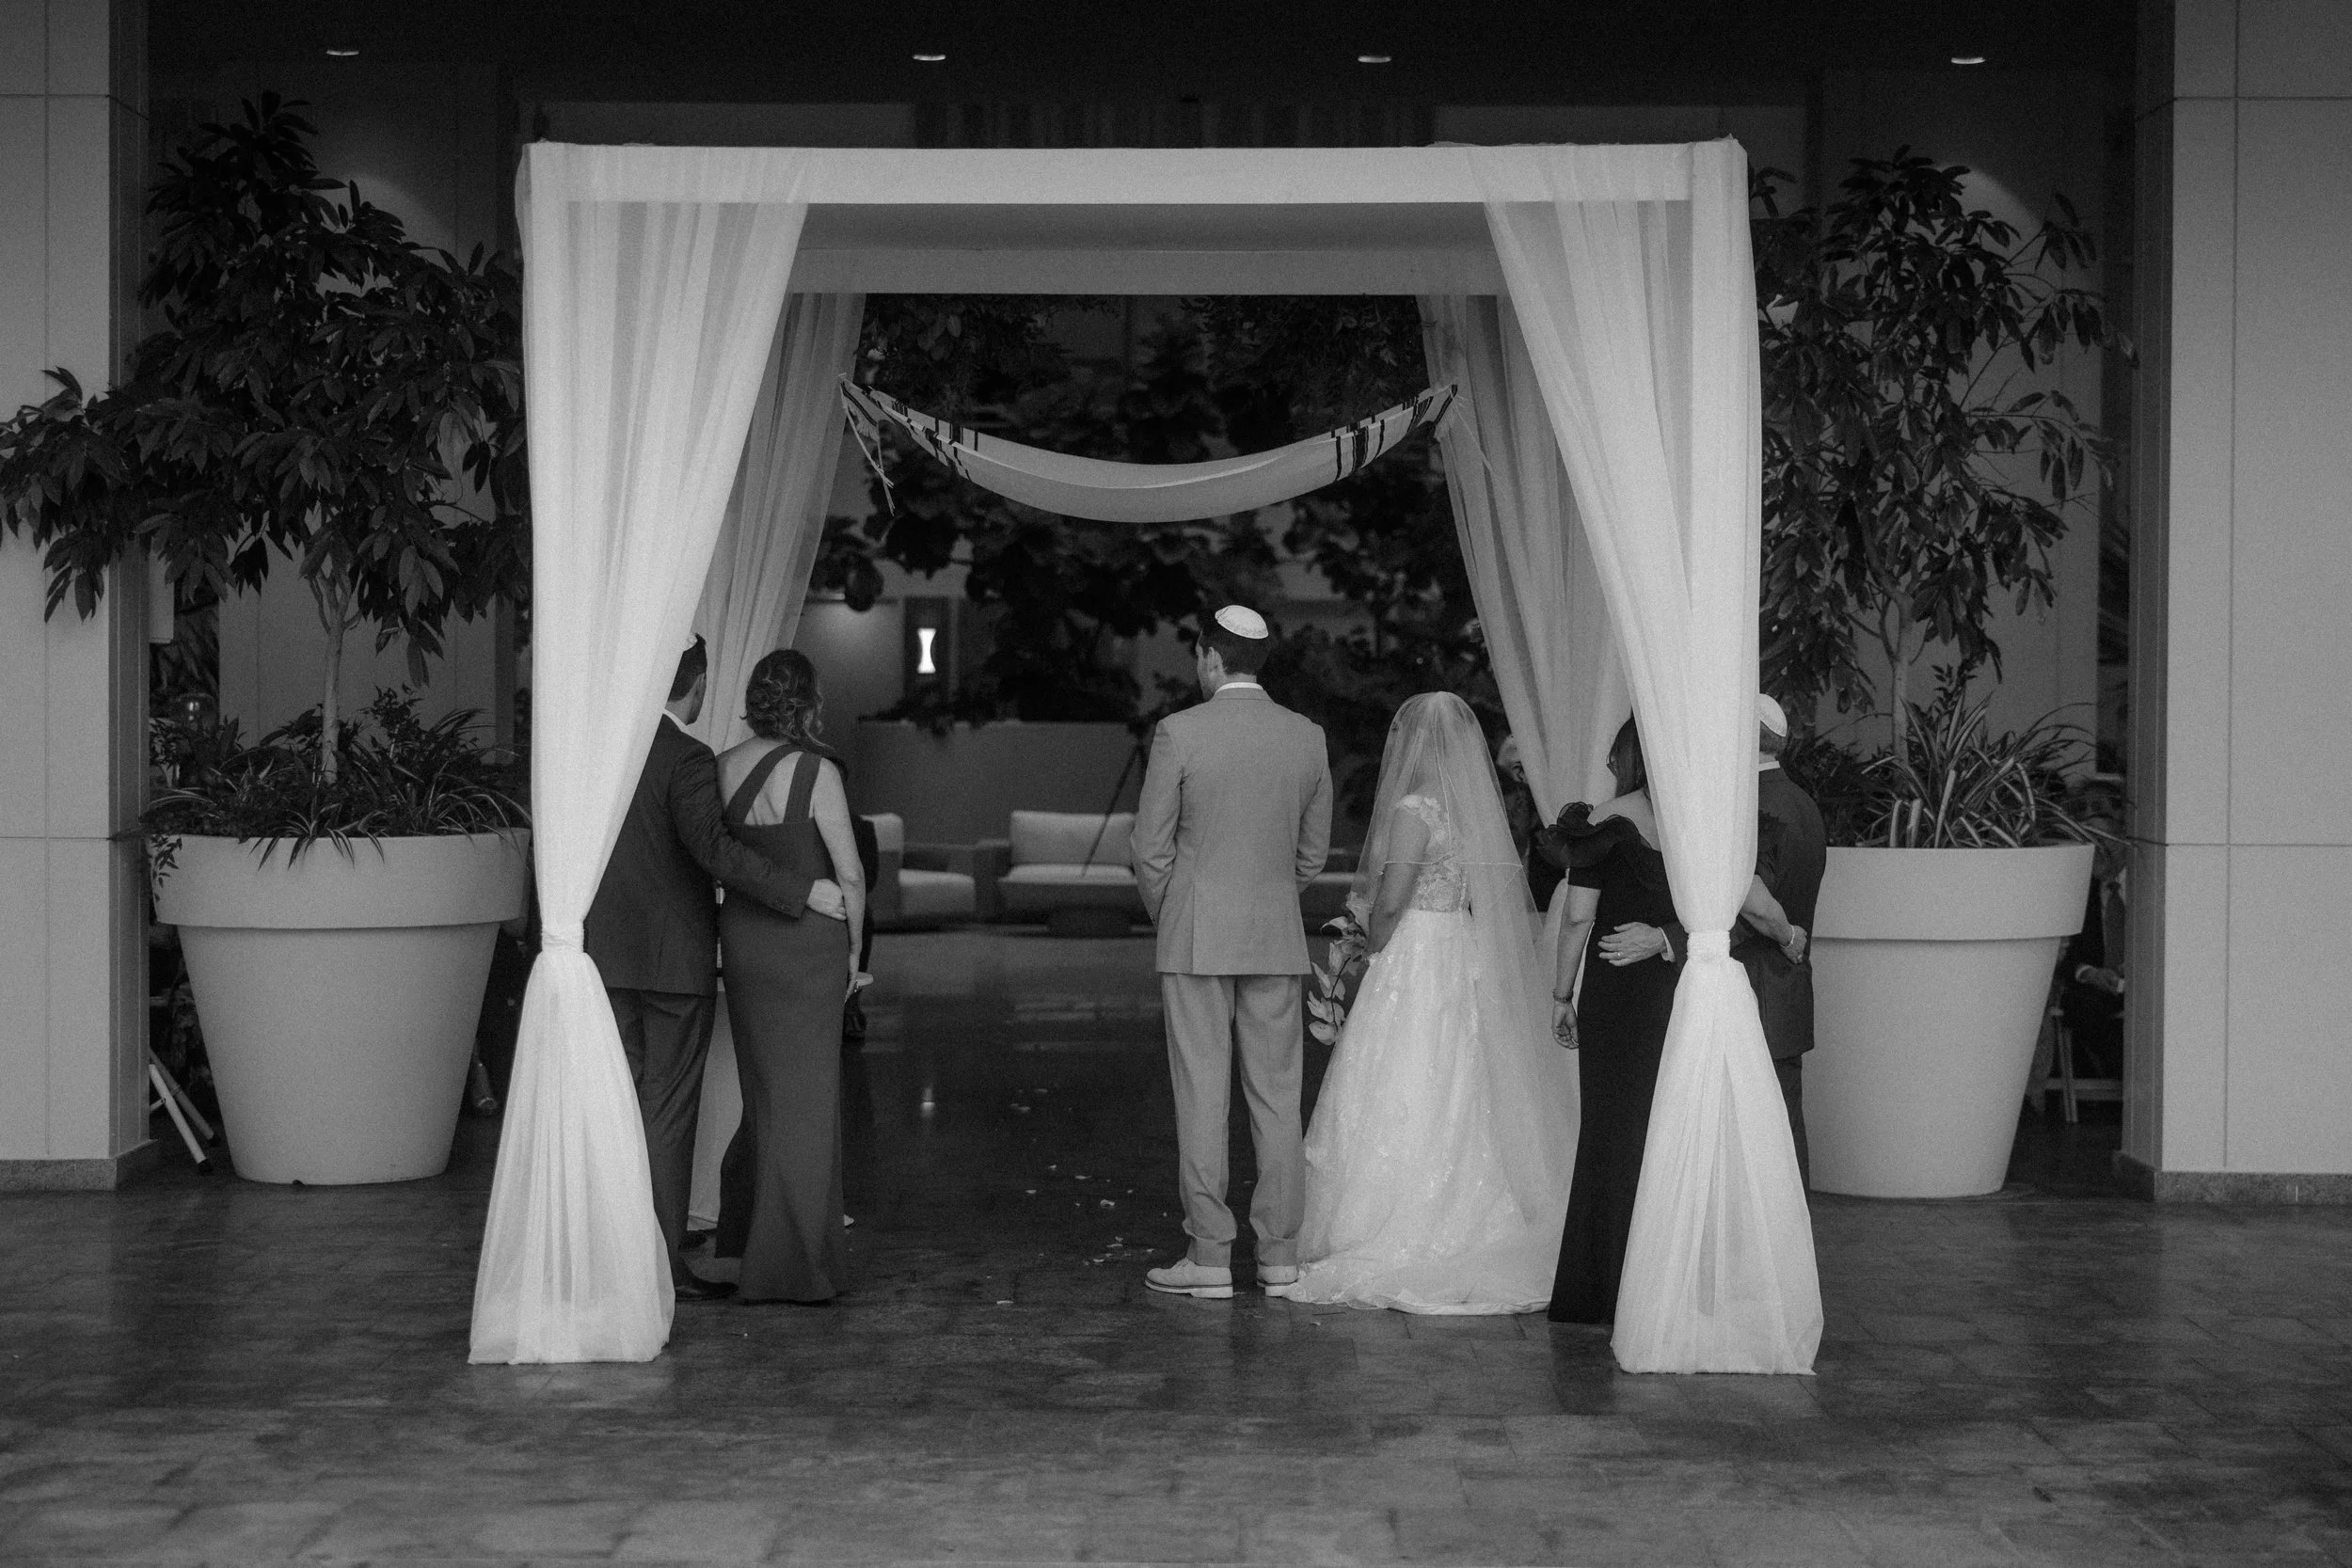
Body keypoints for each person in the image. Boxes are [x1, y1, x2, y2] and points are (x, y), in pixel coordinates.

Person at [1280, 692, 1574, 1313]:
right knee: (1457, 1080)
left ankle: (1391, 1217)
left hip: (1417, 948)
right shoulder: (1472, 810)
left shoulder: (1417, 810)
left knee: (1403, 1073)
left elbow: (1390, 898)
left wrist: (1370, 944)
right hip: (1457, 947)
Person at [583, 636, 845, 1305]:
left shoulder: (600, 751)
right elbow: (714, 850)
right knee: (666, 1114)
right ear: (695, 685)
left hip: (600, 958)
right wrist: (800, 891)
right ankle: (659, 1265)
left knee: (612, 1106)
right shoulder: (685, 756)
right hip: (674, 964)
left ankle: (606, 1254)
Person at [1132, 605, 1332, 1300]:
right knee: (1279, 1098)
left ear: (1211, 659)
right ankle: (1279, 1255)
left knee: (1201, 1092)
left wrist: (1175, 912)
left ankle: (1210, 1255)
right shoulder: (1307, 737)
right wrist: (1272, 895)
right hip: (1276, 932)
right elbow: (1311, 855)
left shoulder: (1179, 731)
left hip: (1195, 934)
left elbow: (1149, 847)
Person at [712, 649, 865, 1305]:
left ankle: (750, 1245)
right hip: (810, 950)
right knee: (808, 1103)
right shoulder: (818, 771)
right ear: (808, 701)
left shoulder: (722, 768)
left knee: (766, 1095)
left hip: (748, 944)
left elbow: (726, 860)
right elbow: (850, 872)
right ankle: (795, 1263)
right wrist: (856, 954)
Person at [1539, 716, 1680, 1323]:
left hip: (1617, 993)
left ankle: (1603, 1284)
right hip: (1676, 985)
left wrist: (1560, 993)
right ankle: (1661, 1277)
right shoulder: (1692, 819)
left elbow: (1577, 916)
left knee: (1610, 1134)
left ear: (1625, 756)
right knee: (1664, 1127)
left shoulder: (1602, 819)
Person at [1496, 734, 1565, 915]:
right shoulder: (1485, 861)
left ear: (1534, 818)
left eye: (1518, 810)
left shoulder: (1551, 863)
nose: (1509, 818)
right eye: (1503, 810)